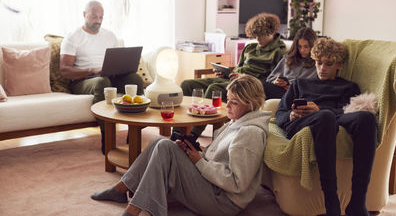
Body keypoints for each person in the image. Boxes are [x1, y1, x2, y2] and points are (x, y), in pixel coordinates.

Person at [91, 75, 270, 216]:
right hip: (212, 185)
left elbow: (237, 184)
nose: (227, 105)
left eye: (234, 102)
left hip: (223, 201)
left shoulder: (250, 133)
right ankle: (122, 188)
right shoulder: (237, 121)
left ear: (251, 104)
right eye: (228, 99)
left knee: (165, 147)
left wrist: (199, 161)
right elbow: (220, 157)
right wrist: (197, 152)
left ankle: (134, 209)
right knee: (160, 142)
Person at [275, 38, 377, 216]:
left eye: (328, 64)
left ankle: (358, 202)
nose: (321, 68)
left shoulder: (348, 87)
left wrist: (320, 109)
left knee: (366, 117)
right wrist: (290, 115)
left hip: (331, 118)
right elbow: (280, 114)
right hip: (301, 122)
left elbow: (347, 111)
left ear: (339, 64)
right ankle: (332, 202)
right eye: (318, 63)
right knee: (325, 116)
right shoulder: (300, 84)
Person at [177, 12, 286, 138]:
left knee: (214, 89)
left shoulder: (279, 51)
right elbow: (238, 68)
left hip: (248, 85)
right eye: (255, 36)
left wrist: (244, 78)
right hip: (233, 80)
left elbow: (270, 80)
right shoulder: (250, 47)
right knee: (187, 84)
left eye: (260, 36)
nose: (257, 39)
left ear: (270, 32)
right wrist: (225, 73)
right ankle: (178, 131)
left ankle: (192, 136)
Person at [60, 0, 144, 154]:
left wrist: (122, 68)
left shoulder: (110, 36)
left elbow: (118, 60)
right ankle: (108, 138)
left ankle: (134, 131)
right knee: (102, 82)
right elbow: (65, 70)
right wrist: (92, 70)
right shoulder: (73, 37)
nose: (98, 20)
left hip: (108, 76)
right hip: (83, 81)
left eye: (101, 17)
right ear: (84, 14)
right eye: (94, 17)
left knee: (135, 80)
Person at [262, 27, 318, 99]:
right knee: (258, 85)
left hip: (299, 95)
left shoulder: (317, 63)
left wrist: (294, 87)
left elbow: (316, 87)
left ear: (312, 46)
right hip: (281, 90)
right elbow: (270, 78)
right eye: (299, 46)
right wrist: (275, 82)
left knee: (262, 87)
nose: (302, 50)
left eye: (306, 47)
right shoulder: (288, 58)